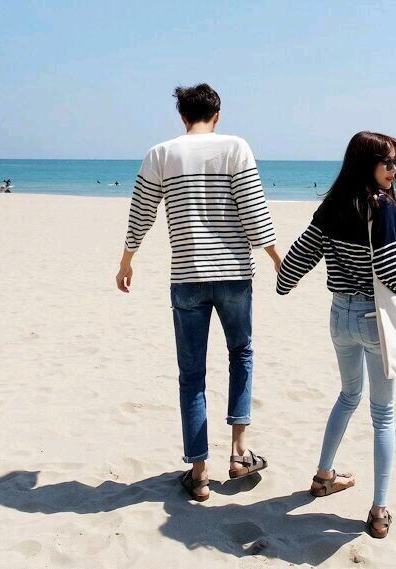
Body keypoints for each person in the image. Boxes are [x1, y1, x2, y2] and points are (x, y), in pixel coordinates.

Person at [116, 83, 281, 502]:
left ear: (183, 117)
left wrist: (127, 260)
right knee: (241, 354)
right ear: (217, 114)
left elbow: (141, 212)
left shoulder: (161, 154)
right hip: (233, 273)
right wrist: (274, 255)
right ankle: (239, 453)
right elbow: (254, 209)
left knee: (191, 375)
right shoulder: (236, 147)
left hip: (188, 276)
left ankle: (200, 472)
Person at [277, 131, 396, 539]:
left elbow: (303, 252)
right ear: (366, 163)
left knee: (348, 395)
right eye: (387, 162)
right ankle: (379, 511)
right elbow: (389, 271)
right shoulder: (381, 207)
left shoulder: (333, 204)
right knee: (383, 413)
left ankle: (324, 476)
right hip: (375, 318)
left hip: (340, 316)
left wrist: (284, 282)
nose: (394, 170)